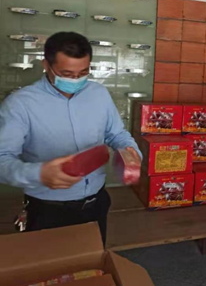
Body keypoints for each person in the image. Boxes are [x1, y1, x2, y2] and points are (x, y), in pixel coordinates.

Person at [0, 32, 142, 244]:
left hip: (96, 203)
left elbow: (117, 134)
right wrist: (39, 174)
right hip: (47, 210)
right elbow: (2, 159)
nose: (76, 79)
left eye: (83, 72)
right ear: (46, 65)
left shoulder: (99, 94)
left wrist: (131, 152)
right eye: (66, 73)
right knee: (49, 264)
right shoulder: (20, 104)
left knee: (93, 260)